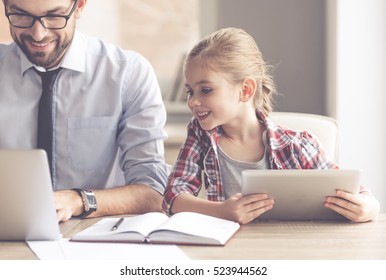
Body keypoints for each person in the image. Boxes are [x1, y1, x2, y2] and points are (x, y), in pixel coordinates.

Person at [162, 27, 380, 224]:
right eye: (190, 91)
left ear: (245, 90)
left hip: (286, 249)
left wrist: (370, 208)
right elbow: (173, 196)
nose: (193, 101)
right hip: (227, 251)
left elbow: (357, 194)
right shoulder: (201, 134)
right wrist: (221, 211)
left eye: (205, 90)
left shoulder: (297, 145)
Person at [0, 0, 170, 221]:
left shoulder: (128, 74)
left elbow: (154, 193)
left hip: (93, 240)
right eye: (21, 15)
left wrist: (77, 200)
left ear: (79, 6)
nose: (38, 34)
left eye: (54, 16)